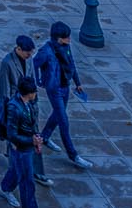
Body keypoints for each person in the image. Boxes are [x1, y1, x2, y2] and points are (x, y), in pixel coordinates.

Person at [32, 20, 93, 172]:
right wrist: (39, 80)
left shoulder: (66, 48)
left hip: (65, 86)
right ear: (59, 38)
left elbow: (71, 64)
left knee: (58, 114)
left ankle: (45, 136)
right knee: (63, 122)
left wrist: (77, 82)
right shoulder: (46, 51)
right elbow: (34, 63)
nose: (69, 40)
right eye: (66, 37)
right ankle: (73, 155)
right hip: (54, 88)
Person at [0, 77, 50, 208]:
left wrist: (36, 138)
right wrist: (31, 140)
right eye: (34, 92)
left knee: (17, 171)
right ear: (29, 93)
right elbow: (12, 134)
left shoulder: (27, 104)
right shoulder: (14, 108)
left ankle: (6, 187)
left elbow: (30, 124)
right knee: (27, 183)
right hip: (20, 149)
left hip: (26, 147)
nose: (36, 93)